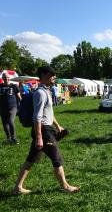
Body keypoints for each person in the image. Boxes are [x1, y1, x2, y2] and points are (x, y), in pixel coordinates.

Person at [13, 66, 80, 194]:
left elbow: (48, 112)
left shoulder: (46, 91)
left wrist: (58, 126)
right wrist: (39, 137)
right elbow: (37, 116)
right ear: (43, 76)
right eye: (52, 74)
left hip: (46, 129)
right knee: (57, 158)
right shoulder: (40, 93)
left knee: (31, 159)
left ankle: (18, 187)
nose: (54, 76)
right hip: (43, 131)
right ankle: (65, 186)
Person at [0, 72, 22, 144]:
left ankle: (14, 138)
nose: (6, 79)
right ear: (2, 78)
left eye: (8, 77)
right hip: (2, 107)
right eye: (5, 77)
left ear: (9, 78)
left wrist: (23, 103)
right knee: (5, 123)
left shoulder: (14, 86)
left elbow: (19, 96)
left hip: (12, 107)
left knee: (10, 121)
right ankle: (8, 138)